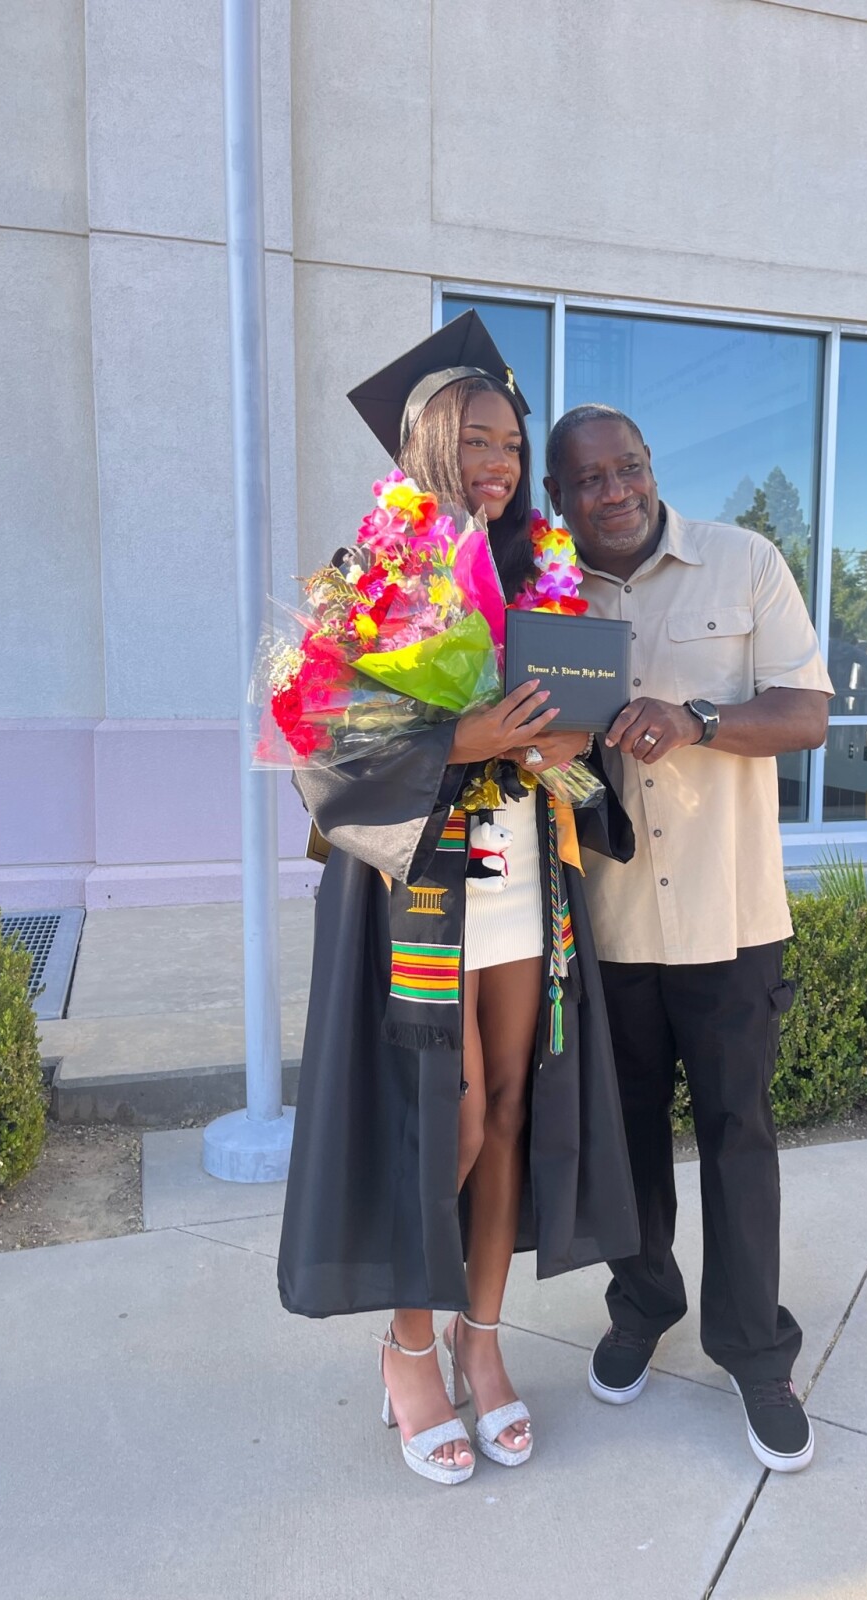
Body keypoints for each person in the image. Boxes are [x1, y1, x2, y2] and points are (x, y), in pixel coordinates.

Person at [278, 316, 638, 1487]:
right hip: (424, 889)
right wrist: (458, 739)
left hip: (524, 868)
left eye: (511, 444)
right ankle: (407, 1345)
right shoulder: (364, 570)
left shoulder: (542, 568)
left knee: (516, 1111)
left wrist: (566, 747)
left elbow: (576, 723)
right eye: (477, 440)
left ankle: (482, 1344)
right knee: (457, 1117)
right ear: (428, 446)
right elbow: (314, 739)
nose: (499, 461)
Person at [543, 403, 833, 1474]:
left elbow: (805, 713)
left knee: (736, 1136)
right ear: (556, 497)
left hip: (729, 917)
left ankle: (755, 1350)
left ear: (650, 467)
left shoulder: (742, 561)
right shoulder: (545, 597)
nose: (614, 490)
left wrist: (696, 720)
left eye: (627, 467)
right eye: (588, 479)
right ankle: (642, 1305)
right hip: (610, 922)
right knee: (625, 1141)